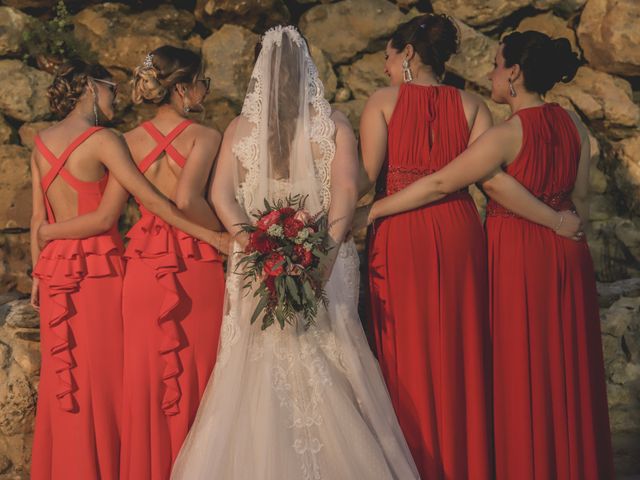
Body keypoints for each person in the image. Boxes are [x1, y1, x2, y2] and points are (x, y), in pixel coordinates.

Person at [359, 31, 614, 480]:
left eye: (496, 65)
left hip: (521, 254)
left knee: (522, 374)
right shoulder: (574, 126)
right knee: (569, 371)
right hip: (571, 256)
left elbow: (450, 181)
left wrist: (374, 209)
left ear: (514, 73)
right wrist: (561, 226)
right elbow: (581, 203)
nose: (489, 74)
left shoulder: (506, 134)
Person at [170, 26, 419, 480]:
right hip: (323, 254)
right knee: (337, 355)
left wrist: (258, 243)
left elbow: (222, 197)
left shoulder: (238, 129)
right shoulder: (334, 124)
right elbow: (345, 190)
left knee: (254, 362)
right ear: (309, 69)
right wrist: (322, 253)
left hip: (257, 262)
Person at [30, 59, 223, 480]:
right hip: (99, 272)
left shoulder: (42, 141)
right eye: (110, 88)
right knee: (110, 388)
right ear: (90, 87)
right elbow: (129, 211)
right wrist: (215, 238)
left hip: (57, 273)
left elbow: (35, 220)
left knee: (69, 387)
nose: (117, 96)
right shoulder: (105, 140)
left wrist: (38, 261)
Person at [360, 14, 493, 478]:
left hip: (399, 229)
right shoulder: (475, 106)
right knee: (461, 345)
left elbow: (362, 180)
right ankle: (464, 461)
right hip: (459, 228)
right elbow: (482, 180)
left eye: (389, 57)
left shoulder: (382, 101)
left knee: (406, 351)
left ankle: (415, 464)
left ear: (409, 53)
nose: (385, 68)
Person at [119, 46, 227, 480]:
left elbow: (115, 210)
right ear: (182, 88)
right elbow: (188, 199)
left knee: (147, 378)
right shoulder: (206, 136)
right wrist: (223, 234)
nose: (205, 90)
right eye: (203, 82)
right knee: (203, 373)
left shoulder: (126, 141)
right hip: (196, 263)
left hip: (144, 265)